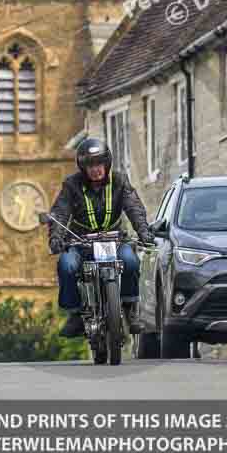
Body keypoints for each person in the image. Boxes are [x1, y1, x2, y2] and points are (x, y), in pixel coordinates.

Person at [49, 137, 155, 338]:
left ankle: (130, 309)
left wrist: (144, 232)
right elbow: (60, 212)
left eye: (99, 164)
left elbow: (133, 207)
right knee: (66, 264)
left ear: (107, 164)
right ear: (83, 168)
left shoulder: (120, 181)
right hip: (81, 243)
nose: (96, 169)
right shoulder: (71, 185)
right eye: (90, 166)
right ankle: (75, 314)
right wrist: (56, 237)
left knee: (131, 262)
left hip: (115, 241)